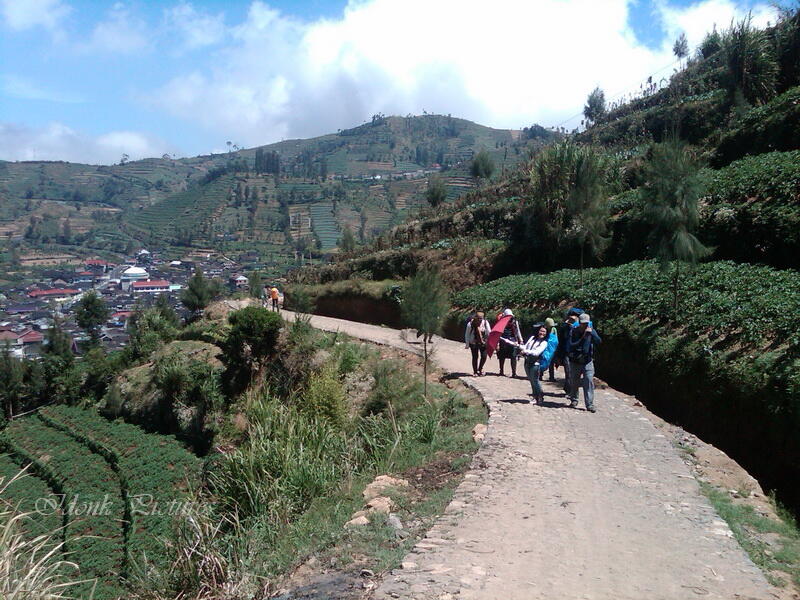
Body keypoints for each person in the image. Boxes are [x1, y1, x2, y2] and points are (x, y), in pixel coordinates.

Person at [566, 312, 602, 413]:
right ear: (579, 323)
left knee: (589, 381)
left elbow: (599, 341)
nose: (585, 325)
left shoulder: (591, 331)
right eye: (583, 323)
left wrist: (591, 334)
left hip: (587, 361)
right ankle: (574, 399)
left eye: (586, 323)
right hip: (575, 361)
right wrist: (583, 337)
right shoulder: (574, 332)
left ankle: (589, 404)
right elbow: (572, 345)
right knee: (574, 381)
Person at [521, 324, 549, 405]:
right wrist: (520, 347)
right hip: (527, 362)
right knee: (531, 380)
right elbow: (525, 346)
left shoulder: (544, 343)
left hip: (535, 363)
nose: (542, 333)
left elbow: (537, 352)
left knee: (535, 381)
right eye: (541, 331)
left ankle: (539, 396)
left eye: (544, 332)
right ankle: (535, 396)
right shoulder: (532, 338)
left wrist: (526, 351)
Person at [555, 311, 579, 392]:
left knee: (574, 374)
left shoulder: (580, 328)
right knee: (568, 372)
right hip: (567, 353)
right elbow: (561, 341)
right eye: (570, 318)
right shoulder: (564, 328)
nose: (571, 320)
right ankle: (569, 391)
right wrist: (558, 355)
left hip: (577, 354)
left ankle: (568, 388)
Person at [497, 308, 523, 377]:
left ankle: (514, 372)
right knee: (502, 356)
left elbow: (517, 331)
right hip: (503, 340)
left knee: (513, 356)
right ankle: (501, 371)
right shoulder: (501, 321)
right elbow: (498, 332)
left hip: (512, 341)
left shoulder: (514, 321)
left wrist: (521, 340)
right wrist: (497, 343)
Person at [465, 311, 491, 376]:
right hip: (473, 342)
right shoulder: (470, 324)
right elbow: (467, 334)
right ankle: (475, 371)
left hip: (483, 341)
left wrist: (489, 340)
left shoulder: (485, 323)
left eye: (481, 318)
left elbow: (489, 332)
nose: (480, 320)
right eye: (478, 318)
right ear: (475, 317)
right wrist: (467, 344)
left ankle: (480, 368)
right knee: (475, 357)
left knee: (484, 356)